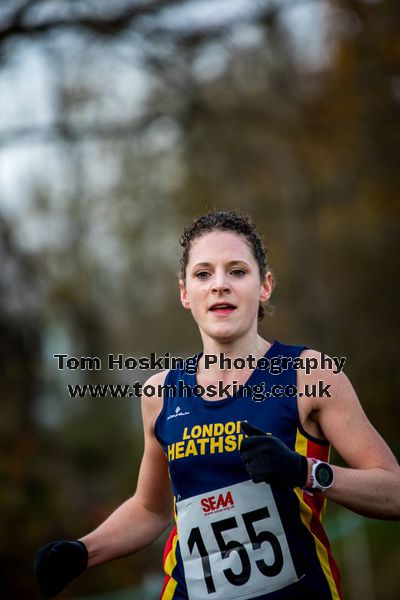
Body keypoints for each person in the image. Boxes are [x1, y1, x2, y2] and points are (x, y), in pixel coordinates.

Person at [34, 210, 400, 600]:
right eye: (203, 274)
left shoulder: (309, 374)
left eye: (237, 271)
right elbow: (150, 509)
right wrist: (82, 551)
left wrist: (305, 471)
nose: (219, 285)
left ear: (265, 286)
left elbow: (393, 492)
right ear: (184, 293)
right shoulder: (160, 393)